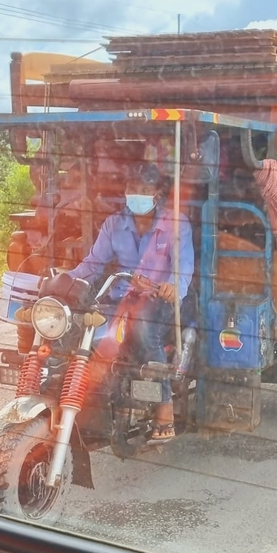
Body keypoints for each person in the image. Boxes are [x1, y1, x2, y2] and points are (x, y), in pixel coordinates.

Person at [70, 163, 194, 443]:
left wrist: (174, 286)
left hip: (162, 299)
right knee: (84, 329)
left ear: (157, 194)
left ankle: (164, 406)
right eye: (132, 188)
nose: (136, 193)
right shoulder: (114, 224)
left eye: (144, 189)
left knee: (143, 329)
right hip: (121, 298)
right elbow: (93, 264)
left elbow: (184, 265)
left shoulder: (176, 224)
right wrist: (66, 280)